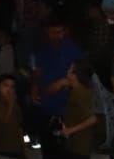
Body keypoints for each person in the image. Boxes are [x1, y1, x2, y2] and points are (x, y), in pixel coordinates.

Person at [30, 14, 86, 145]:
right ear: (47, 32)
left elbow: (83, 72)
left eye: (59, 32)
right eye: (52, 32)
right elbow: (37, 72)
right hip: (46, 101)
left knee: (65, 146)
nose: (56, 35)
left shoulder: (72, 49)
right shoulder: (42, 49)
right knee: (48, 144)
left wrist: (65, 82)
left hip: (67, 102)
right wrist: (34, 87)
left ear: (64, 32)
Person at [45, 58, 97, 159]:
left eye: (70, 70)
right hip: (75, 145)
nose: (67, 72)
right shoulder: (77, 90)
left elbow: (92, 119)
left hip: (79, 147)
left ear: (76, 75)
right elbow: (49, 91)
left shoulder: (79, 93)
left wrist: (70, 130)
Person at [0, 72, 27, 159]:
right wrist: (11, 104)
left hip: (17, 150)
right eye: (5, 86)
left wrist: (24, 150)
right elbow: (4, 122)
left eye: (12, 87)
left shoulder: (16, 106)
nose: (9, 90)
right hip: (1, 150)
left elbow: (19, 128)